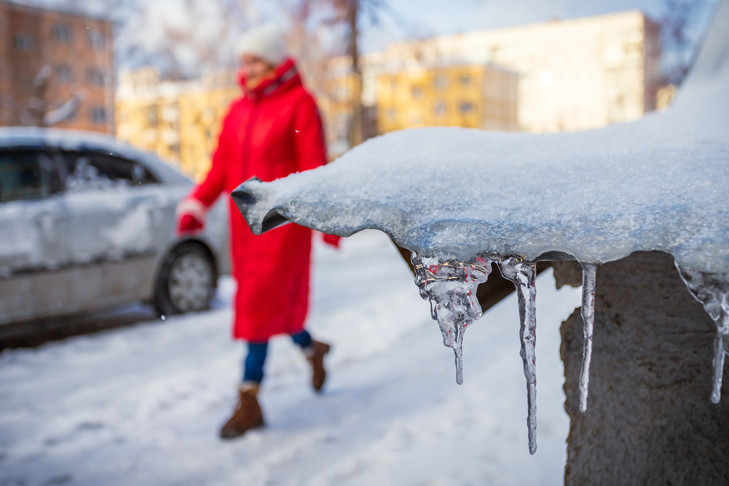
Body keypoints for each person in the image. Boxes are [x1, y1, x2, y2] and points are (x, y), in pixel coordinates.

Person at [176, 23, 340, 439]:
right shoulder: (236, 111)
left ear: (272, 61)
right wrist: (198, 203)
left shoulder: (300, 104)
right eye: (242, 60)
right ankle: (312, 348)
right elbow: (220, 169)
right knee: (270, 308)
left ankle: (249, 400)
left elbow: (314, 168)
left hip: (284, 226)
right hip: (244, 228)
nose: (245, 68)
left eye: (253, 60)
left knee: (258, 308)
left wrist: (329, 220)